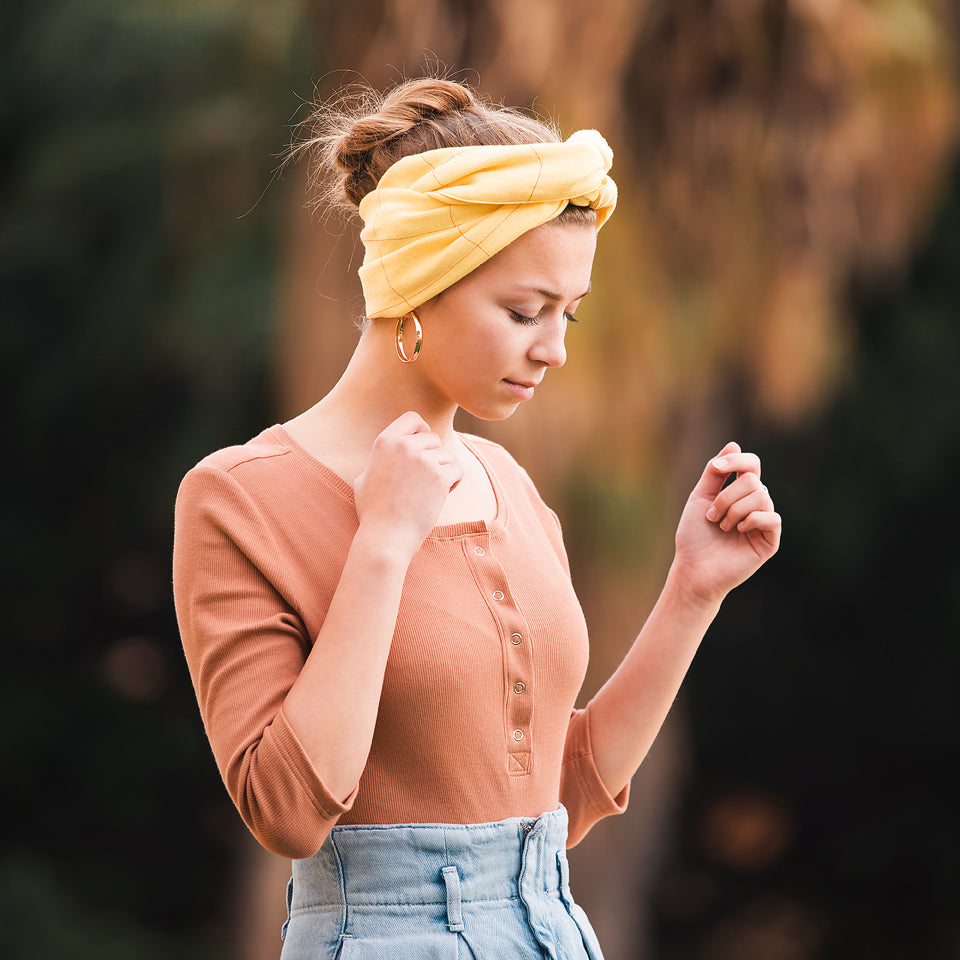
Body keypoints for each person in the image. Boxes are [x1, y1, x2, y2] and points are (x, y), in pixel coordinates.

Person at [173, 75, 781, 959]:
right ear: (420, 285)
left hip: (554, 931)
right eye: (524, 311)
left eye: (568, 313)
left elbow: (563, 796)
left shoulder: (510, 485)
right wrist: (383, 541)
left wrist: (693, 590)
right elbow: (289, 813)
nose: (556, 348)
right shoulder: (240, 497)